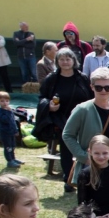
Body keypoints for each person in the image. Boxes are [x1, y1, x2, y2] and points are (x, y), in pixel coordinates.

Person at [61, 66, 109, 180]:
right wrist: (84, 157)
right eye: (98, 88)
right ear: (92, 87)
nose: (103, 91)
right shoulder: (82, 109)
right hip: (92, 162)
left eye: (107, 87)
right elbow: (67, 135)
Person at [39, 49, 92, 188]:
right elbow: (42, 97)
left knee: (87, 147)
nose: (65, 62)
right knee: (66, 149)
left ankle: (87, 176)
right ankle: (68, 179)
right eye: (61, 59)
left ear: (74, 61)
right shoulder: (51, 79)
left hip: (83, 117)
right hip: (62, 119)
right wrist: (49, 106)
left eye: (68, 59)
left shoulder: (83, 78)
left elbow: (92, 96)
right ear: (57, 62)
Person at [0, 91, 21, 167]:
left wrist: (16, 130)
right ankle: (9, 161)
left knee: (13, 146)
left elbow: (13, 121)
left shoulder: (10, 110)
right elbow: (5, 120)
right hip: (5, 133)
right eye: (2, 101)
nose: (5, 103)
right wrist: (8, 112)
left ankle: (13, 158)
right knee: (8, 147)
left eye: (7, 101)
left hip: (11, 132)